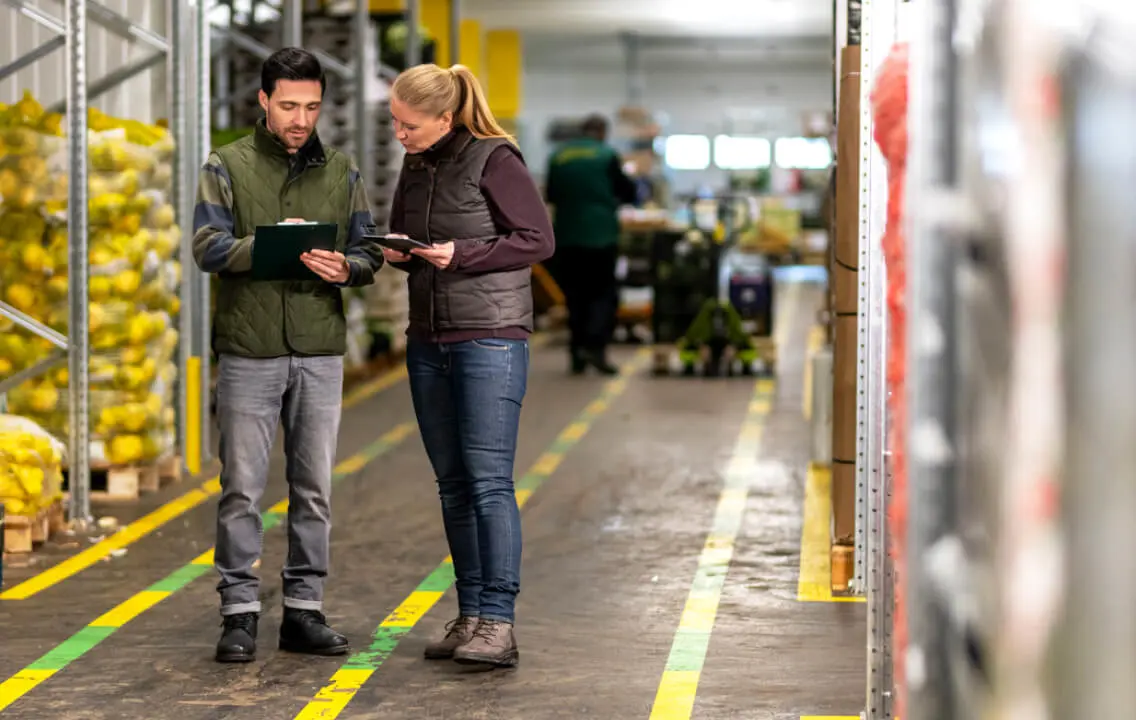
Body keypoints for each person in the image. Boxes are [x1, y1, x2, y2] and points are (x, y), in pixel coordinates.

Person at [191, 47, 383, 663]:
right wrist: (271, 246)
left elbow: (370, 251)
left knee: (314, 488)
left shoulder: (344, 172)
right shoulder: (227, 165)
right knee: (242, 488)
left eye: (312, 107)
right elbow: (208, 247)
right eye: (290, 106)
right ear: (264, 102)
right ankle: (239, 613)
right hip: (250, 349)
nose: (302, 118)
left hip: (320, 349)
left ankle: (303, 611)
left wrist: (346, 266)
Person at [382, 63, 554, 668]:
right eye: (395, 124)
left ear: (444, 118)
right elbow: (411, 242)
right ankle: (472, 614)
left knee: (488, 484)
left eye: (409, 125)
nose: (399, 135)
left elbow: (536, 239)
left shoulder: (495, 158)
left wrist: (462, 254)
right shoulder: (417, 163)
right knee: (453, 486)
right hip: (429, 337)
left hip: (489, 340)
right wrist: (396, 249)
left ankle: (499, 623)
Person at [544, 114, 638, 375]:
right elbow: (628, 192)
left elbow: (550, 194)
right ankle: (596, 348)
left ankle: (576, 353)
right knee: (603, 294)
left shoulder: (558, 156)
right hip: (601, 237)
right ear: (602, 132)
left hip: (567, 236)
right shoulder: (607, 155)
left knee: (574, 296)